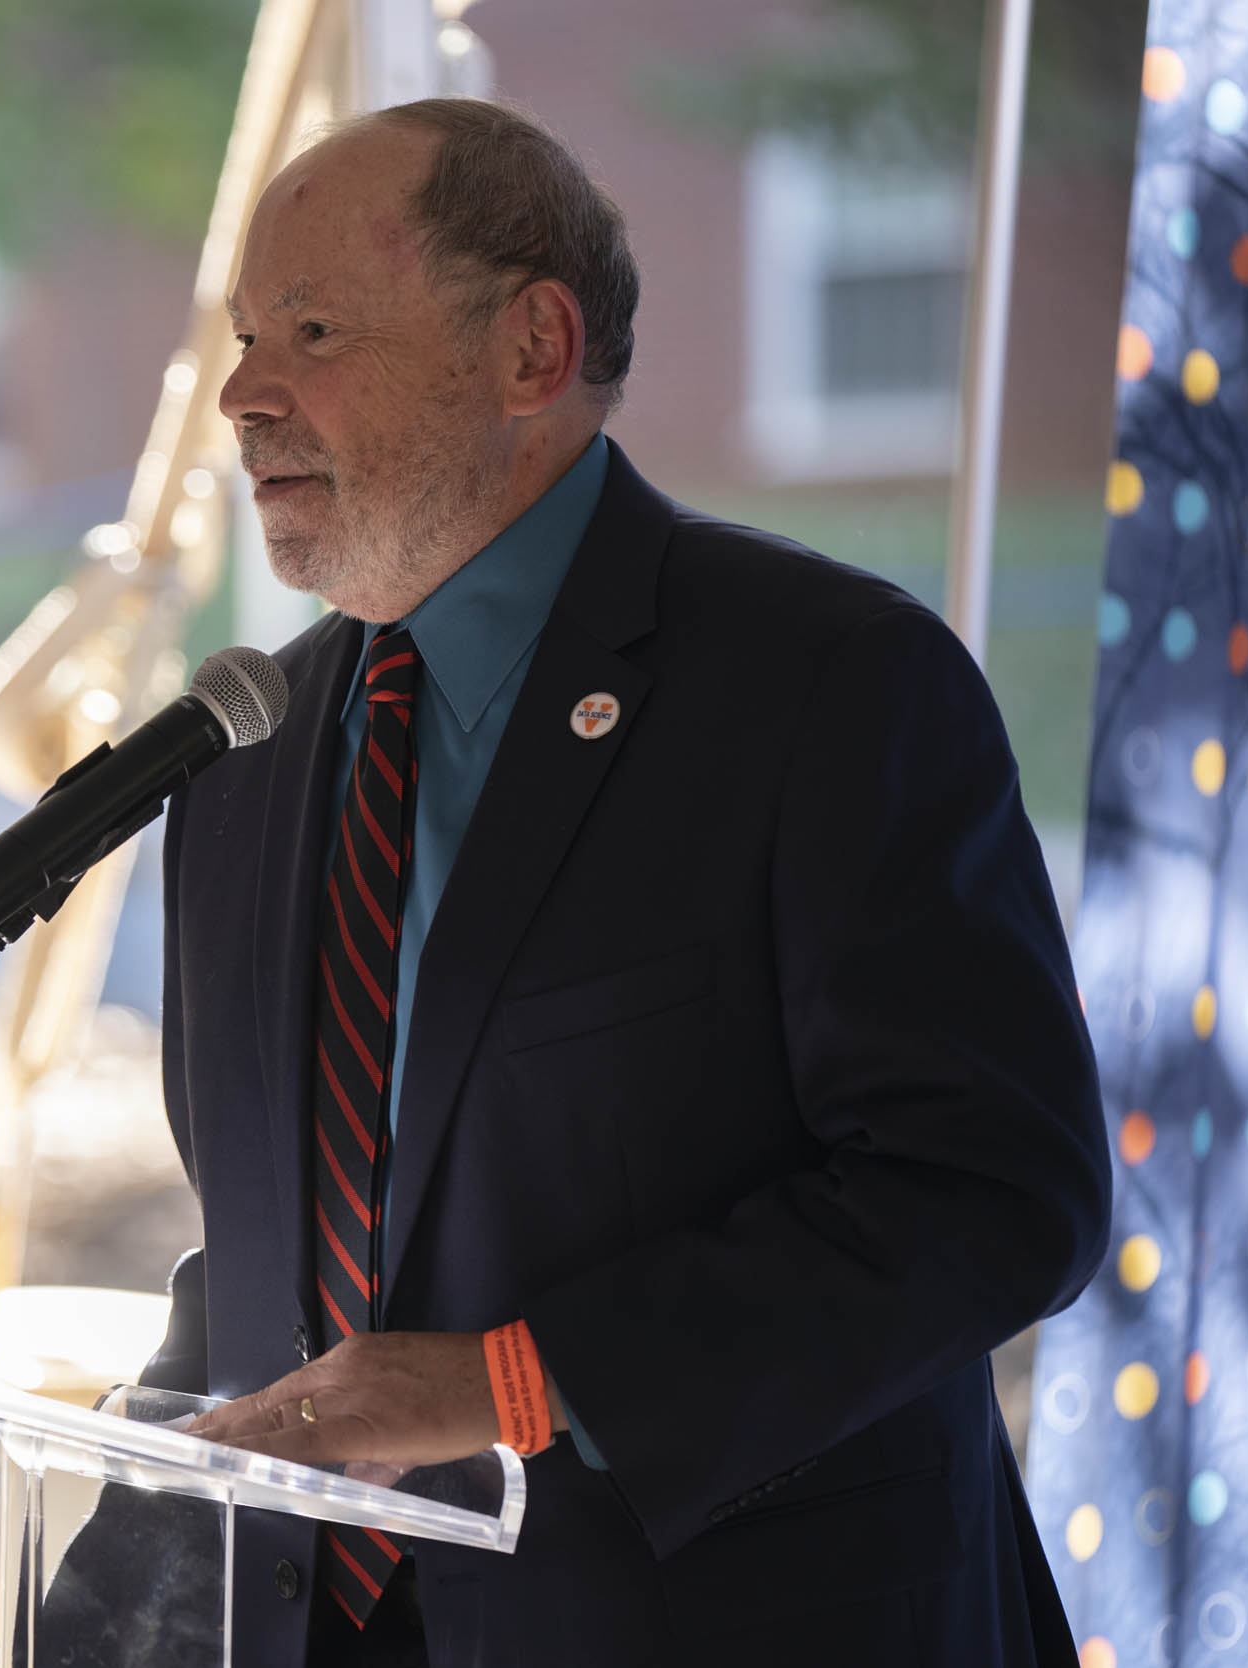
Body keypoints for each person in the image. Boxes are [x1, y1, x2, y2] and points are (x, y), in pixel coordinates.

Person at [147, 99, 1110, 1664]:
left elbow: (994, 1195)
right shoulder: (240, 759)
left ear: (532, 349)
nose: (244, 397)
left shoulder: (826, 686)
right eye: (247, 338)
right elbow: (281, 1250)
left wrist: (517, 1383)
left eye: (312, 330)